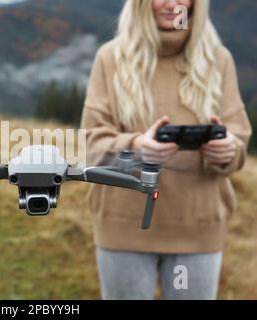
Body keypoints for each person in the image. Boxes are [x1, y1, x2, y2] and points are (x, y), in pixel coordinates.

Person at [81, 0, 253, 300]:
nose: (173, 3)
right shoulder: (110, 58)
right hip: (124, 228)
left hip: (195, 231)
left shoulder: (218, 60)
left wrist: (226, 151)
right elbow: (92, 145)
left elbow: (239, 138)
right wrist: (135, 148)